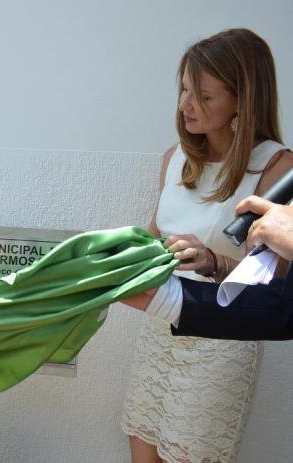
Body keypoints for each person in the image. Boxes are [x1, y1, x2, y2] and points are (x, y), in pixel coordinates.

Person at [121, 28, 293, 463]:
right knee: (141, 452)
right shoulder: (174, 159)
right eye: (183, 90)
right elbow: (152, 238)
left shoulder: (277, 168)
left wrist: (214, 260)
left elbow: (272, 288)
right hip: (160, 328)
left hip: (222, 338)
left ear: (242, 100)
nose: (184, 105)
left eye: (203, 96)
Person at [124, 195, 293, 340]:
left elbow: (277, 290)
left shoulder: (278, 163)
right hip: (179, 317)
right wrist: (169, 297)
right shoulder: (172, 159)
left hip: (225, 341)